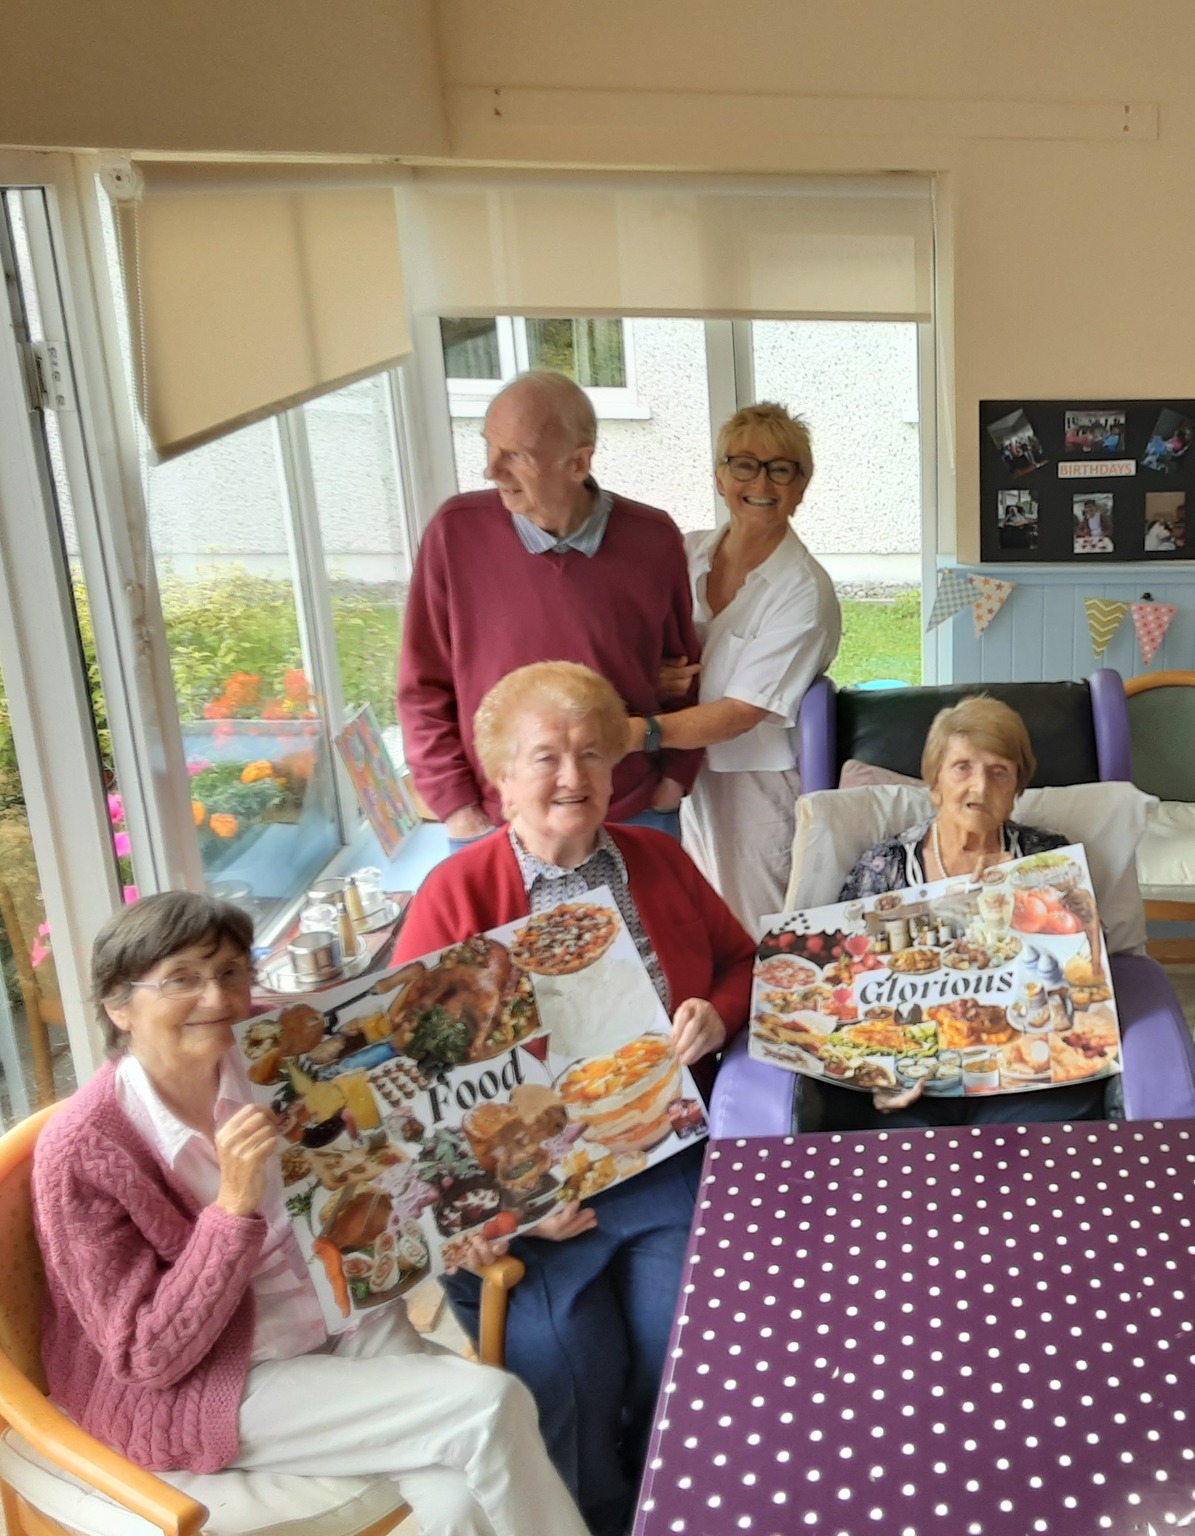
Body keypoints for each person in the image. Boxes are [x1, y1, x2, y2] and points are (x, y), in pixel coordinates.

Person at [33, 892, 587, 1536]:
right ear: (118, 1005)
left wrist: (466, 1222)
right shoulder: (83, 1150)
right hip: (221, 1380)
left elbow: (391, 1152)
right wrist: (233, 1207)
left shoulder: (277, 1050)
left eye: (231, 973)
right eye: (182, 979)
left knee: (462, 1499)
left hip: (339, 1317)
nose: (217, 1000)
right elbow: (148, 1356)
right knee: (489, 1405)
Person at [397, 661, 756, 1536]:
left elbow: (747, 964)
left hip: (663, 1157)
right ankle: (590, 1517)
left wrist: (716, 1010)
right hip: (531, 1196)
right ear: (503, 777)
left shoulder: (658, 859)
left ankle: (674, 1503)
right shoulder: (457, 894)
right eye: (547, 756)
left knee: (692, 1343)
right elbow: (413, 1081)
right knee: (565, 1373)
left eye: (593, 754)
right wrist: (508, 1204)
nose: (573, 776)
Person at [399, 370, 701, 847]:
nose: (491, 469)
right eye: (490, 447)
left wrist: (673, 782)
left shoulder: (654, 539)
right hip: (495, 825)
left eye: (515, 455)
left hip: (628, 816)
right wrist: (456, 808)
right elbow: (423, 686)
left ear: (578, 463)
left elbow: (683, 671)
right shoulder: (454, 533)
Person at [826, 696, 1110, 1131]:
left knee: (1048, 1136)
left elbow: (1090, 980)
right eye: (963, 768)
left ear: (1017, 790)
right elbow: (843, 984)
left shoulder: (1047, 859)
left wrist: (1054, 905)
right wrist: (878, 1076)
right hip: (914, 1083)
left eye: (999, 772)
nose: (980, 787)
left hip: (1028, 1076)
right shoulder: (884, 866)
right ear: (935, 782)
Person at [638, 404, 841, 935]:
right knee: (690, 922)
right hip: (679, 772)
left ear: (801, 487)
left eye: (782, 469)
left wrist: (638, 732)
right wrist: (649, 681)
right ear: (720, 477)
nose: (762, 482)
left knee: (760, 930)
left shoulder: (803, 590)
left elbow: (741, 712)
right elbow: (638, 645)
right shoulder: (682, 554)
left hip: (753, 782)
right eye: (744, 464)